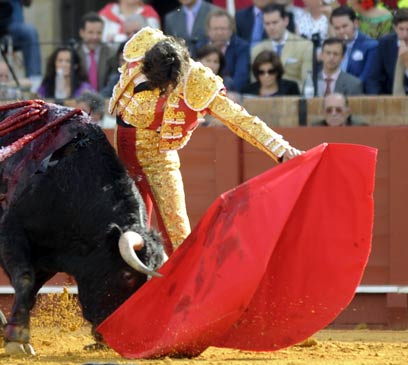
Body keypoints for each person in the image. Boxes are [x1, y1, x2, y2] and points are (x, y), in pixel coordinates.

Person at [109, 27, 302, 254]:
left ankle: (180, 288)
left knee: (177, 233)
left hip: (158, 158)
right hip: (120, 155)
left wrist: (280, 148)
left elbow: (238, 118)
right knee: (126, 230)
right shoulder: (142, 50)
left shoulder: (198, 81)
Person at [251, 3, 314, 90]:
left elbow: (307, 82)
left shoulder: (305, 46)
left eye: (275, 22)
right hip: (265, 100)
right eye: (267, 24)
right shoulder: (257, 50)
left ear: (286, 21)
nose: (271, 27)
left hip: (294, 97)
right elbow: (255, 84)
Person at [194, 8, 250, 92]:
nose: (219, 32)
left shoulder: (242, 47)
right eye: (216, 29)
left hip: (230, 93)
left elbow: (241, 76)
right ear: (208, 30)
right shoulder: (199, 47)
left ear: (231, 30)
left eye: (223, 29)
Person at [330, 5, 379, 94]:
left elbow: (365, 79)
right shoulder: (332, 46)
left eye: (344, 26)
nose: (341, 31)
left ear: (355, 23)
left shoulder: (371, 46)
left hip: (359, 97)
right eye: (337, 28)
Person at [75, 12, 116, 92]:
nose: (95, 37)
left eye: (99, 33)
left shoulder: (111, 54)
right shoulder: (74, 53)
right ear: (82, 33)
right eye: (91, 32)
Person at [371, 8, 408, 95]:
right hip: (389, 99)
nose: (405, 34)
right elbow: (374, 78)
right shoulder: (385, 43)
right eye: (401, 29)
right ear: (395, 28)